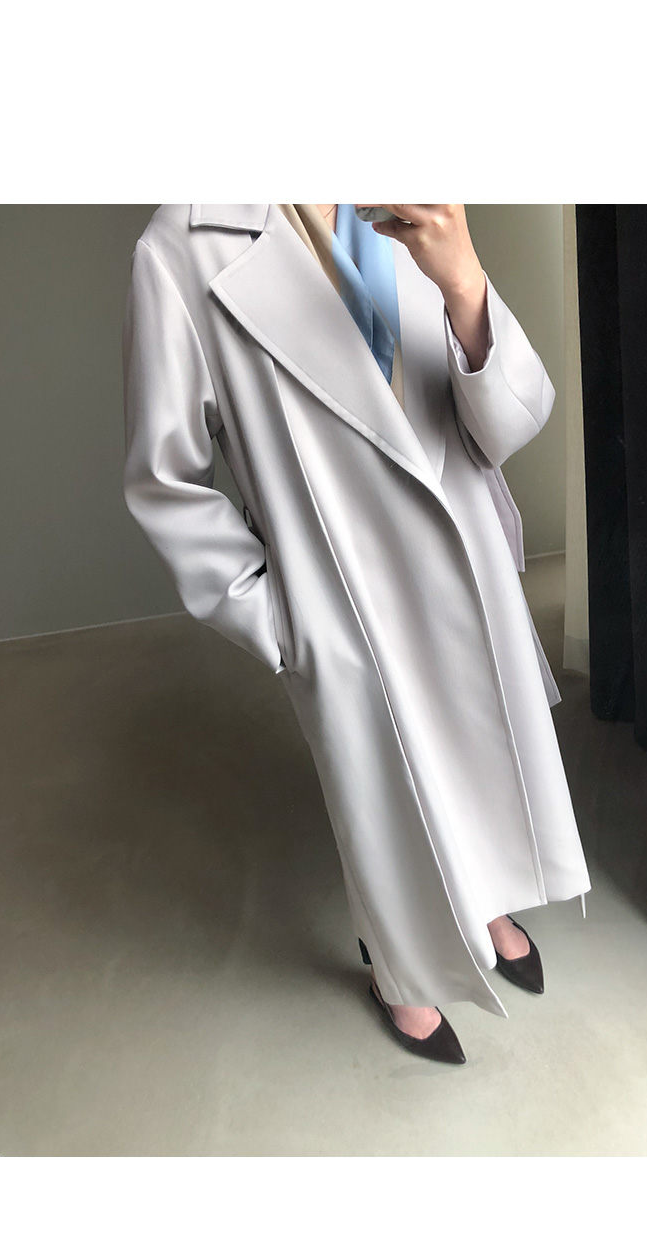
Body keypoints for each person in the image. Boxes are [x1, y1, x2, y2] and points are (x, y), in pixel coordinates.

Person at [122, 203, 591, 1065]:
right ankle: (400, 969)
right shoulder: (181, 245)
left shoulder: (409, 190)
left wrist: (464, 281)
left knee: (475, 739)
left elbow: (506, 427)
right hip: (343, 586)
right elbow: (165, 480)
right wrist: (277, 615)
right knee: (380, 789)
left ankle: (484, 898)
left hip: (460, 542)